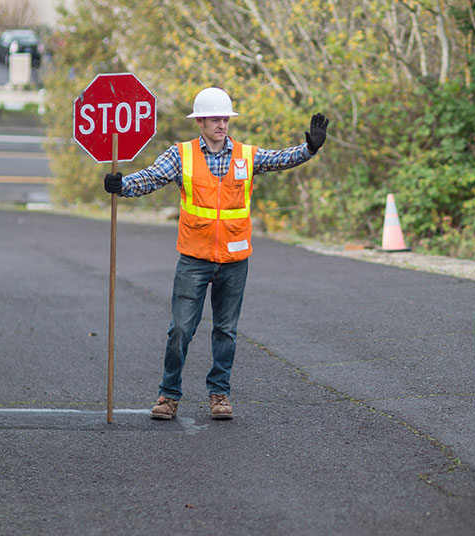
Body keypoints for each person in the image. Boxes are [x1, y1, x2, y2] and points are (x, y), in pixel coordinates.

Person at [103, 87, 329, 421]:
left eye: (225, 118)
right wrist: (123, 186)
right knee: (180, 329)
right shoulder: (181, 155)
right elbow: (151, 177)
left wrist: (309, 148)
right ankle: (168, 396)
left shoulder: (246, 155)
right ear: (200, 122)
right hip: (194, 258)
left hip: (235, 261)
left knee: (226, 331)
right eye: (214, 119)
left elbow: (280, 158)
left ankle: (219, 395)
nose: (221, 124)